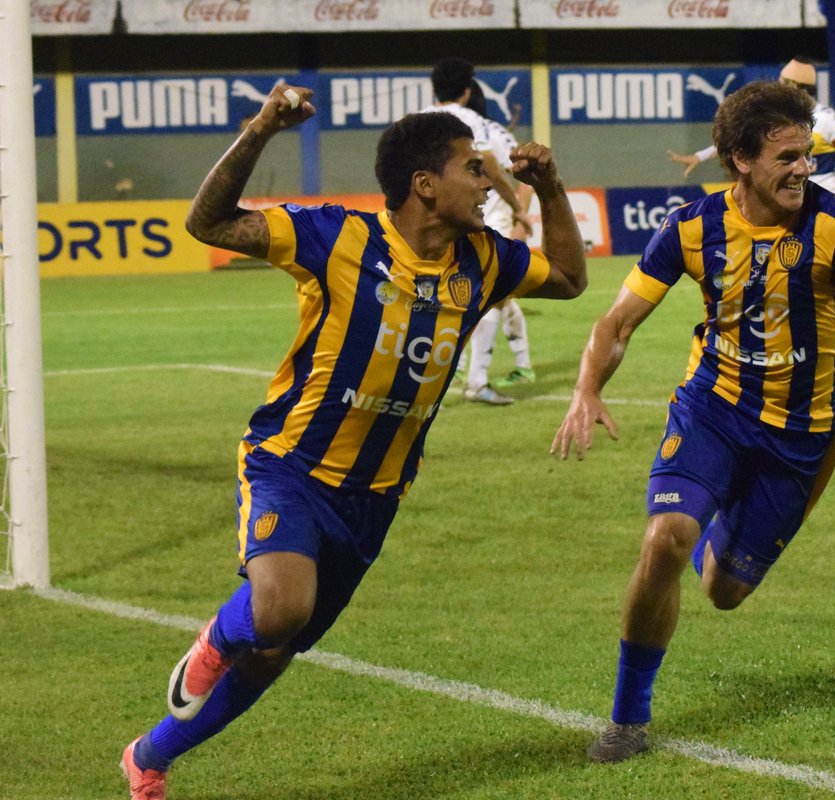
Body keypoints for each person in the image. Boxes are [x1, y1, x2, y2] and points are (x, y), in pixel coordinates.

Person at [119, 84, 586, 799]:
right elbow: (207, 222)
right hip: (293, 465)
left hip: (374, 497)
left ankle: (150, 757)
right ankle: (215, 641)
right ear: (426, 185)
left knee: (275, 653)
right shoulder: (337, 236)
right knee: (277, 608)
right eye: (473, 170)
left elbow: (572, 280)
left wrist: (549, 188)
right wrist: (263, 126)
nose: (487, 183)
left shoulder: (484, 260)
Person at [553, 80, 835, 764]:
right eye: (787, 157)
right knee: (664, 540)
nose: (803, 169)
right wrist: (585, 388)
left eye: (807, 155)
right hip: (712, 410)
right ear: (740, 160)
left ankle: (713, 522)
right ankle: (628, 719)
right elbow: (618, 321)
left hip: (801, 438)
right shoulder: (691, 227)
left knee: (723, 591)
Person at [419, 57, 534, 404]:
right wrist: (518, 211)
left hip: (437, 217)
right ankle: (477, 380)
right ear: (468, 91)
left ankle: (441, 370)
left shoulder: (417, 120)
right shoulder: (478, 124)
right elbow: (502, 169)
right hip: (485, 216)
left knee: (441, 293)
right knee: (492, 296)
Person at [668, 57, 835, 227]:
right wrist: (699, 156)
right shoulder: (777, 119)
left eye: (781, 82)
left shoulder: (827, 121)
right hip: (784, 206)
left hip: (818, 211)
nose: (776, 86)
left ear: (793, 86)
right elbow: (742, 141)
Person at [458, 79, 537, 403]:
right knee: (482, 297)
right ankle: (512, 364)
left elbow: (525, 179)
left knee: (492, 297)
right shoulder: (465, 135)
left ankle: (476, 376)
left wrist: (519, 222)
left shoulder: (492, 134)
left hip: (497, 225)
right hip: (470, 226)